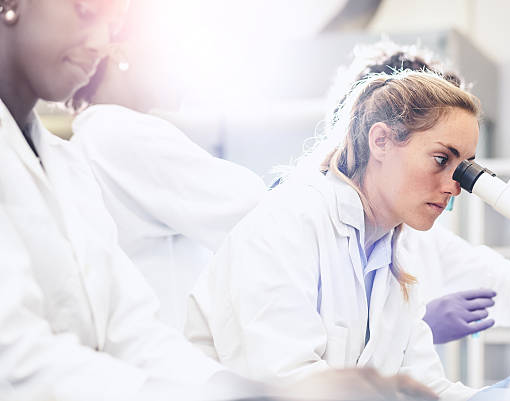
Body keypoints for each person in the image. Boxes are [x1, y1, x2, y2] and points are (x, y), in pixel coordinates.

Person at [0, 1, 254, 399]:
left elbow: (133, 333)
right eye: (87, 12)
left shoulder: (66, 163)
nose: (102, 42)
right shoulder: (108, 133)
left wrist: (254, 392)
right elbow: (14, 360)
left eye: (113, 24)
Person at [185, 70, 485, 400]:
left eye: (462, 169)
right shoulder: (292, 220)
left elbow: (428, 389)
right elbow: (287, 380)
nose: (454, 187)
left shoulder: (392, 262)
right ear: (381, 141)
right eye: (441, 159)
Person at [331, 40, 510, 344]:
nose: (455, 187)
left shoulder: (416, 237)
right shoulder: (311, 225)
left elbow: (509, 290)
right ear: (378, 134)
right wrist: (420, 327)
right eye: (440, 158)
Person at [68, 0, 266, 328]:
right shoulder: (123, 132)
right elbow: (252, 207)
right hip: (175, 351)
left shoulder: (91, 138)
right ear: (119, 52)